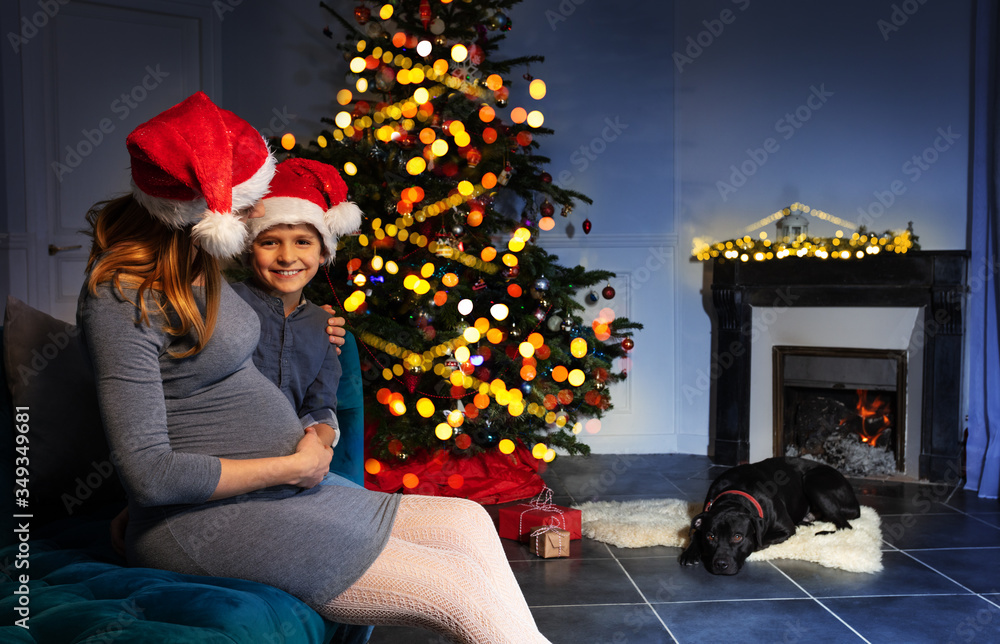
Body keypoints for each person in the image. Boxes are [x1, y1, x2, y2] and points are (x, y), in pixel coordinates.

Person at [78, 91, 550, 644]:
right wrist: (292, 467)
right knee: (456, 589)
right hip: (206, 521)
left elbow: (245, 364)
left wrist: (313, 423)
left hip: (287, 488)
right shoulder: (119, 300)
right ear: (206, 209)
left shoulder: (202, 267)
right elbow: (150, 473)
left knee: (468, 523)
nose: (259, 210)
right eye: (249, 197)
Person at [232, 157, 364, 487]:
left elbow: (320, 406)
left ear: (323, 252)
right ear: (250, 250)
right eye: (270, 241)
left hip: (295, 468)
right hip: (231, 465)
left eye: (303, 242)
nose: (287, 257)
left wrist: (317, 444)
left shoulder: (324, 326)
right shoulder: (224, 304)